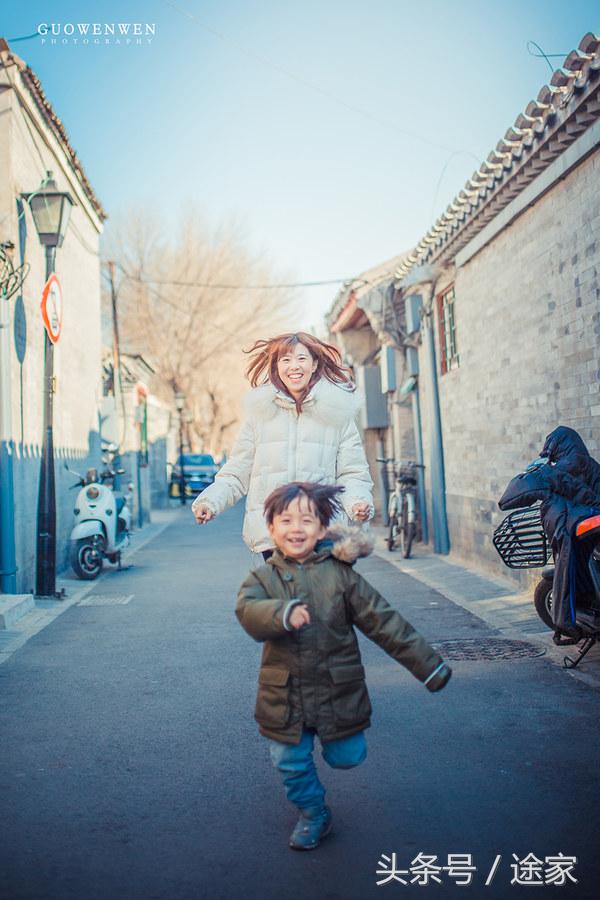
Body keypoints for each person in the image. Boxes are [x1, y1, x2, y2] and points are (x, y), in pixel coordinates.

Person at [236, 482, 452, 851]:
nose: (296, 528)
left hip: (338, 688)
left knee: (348, 757)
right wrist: (281, 614)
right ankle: (312, 813)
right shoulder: (263, 579)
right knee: (288, 759)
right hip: (284, 693)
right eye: (285, 520)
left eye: (307, 520)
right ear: (271, 529)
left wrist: (428, 666)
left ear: (322, 529)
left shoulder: (342, 576)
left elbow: (385, 622)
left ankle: (335, 749)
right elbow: (247, 610)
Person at [191, 332, 373, 557]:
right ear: (276, 367)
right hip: (274, 533)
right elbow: (236, 474)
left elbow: (352, 473)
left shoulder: (337, 415)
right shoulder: (259, 416)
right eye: (285, 360)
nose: (294, 366)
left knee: (323, 591)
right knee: (280, 592)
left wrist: (358, 502)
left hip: (322, 531)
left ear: (314, 364)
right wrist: (209, 502)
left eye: (301, 359)